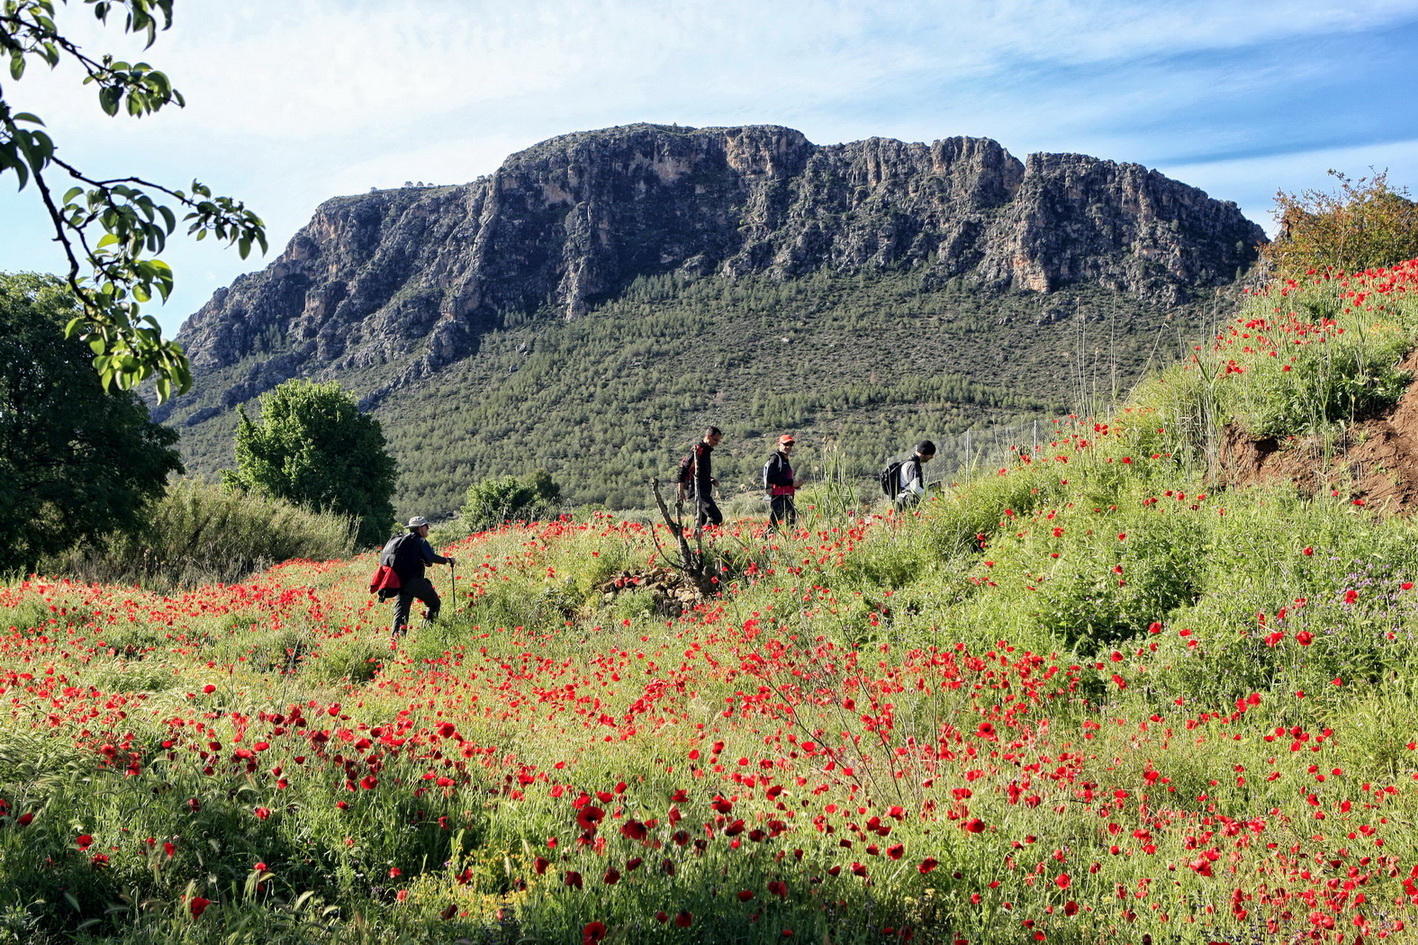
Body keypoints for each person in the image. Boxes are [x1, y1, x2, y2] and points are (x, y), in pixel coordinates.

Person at [382, 516, 456, 637]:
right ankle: (427, 632)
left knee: (401, 614)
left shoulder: (405, 542)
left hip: (400, 582)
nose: (428, 529)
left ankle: (396, 642)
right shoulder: (420, 541)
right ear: (421, 528)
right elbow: (431, 557)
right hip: (413, 581)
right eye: (427, 526)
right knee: (434, 603)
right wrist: (448, 560)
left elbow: (425, 560)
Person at [677, 426, 723, 532]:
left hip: (703, 490)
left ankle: (699, 541)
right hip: (696, 491)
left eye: (718, 441)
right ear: (708, 436)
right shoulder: (698, 450)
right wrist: (680, 489)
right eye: (715, 440)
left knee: (700, 521)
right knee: (716, 517)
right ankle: (702, 536)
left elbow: (698, 472)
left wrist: (710, 479)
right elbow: (683, 468)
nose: (717, 443)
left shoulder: (706, 452)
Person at [762, 434, 804, 533]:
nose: (788, 447)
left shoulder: (784, 459)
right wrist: (791, 482)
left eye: (790, 445)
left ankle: (791, 540)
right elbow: (771, 478)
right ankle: (767, 541)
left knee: (790, 519)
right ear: (779, 444)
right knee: (777, 522)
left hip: (786, 495)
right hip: (779, 496)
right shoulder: (775, 458)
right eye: (786, 444)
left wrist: (796, 484)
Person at [895, 440, 937, 509]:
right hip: (907, 503)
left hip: (901, 501)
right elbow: (915, 488)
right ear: (924, 452)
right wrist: (933, 498)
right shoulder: (913, 465)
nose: (932, 457)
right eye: (931, 454)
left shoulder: (907, 463)